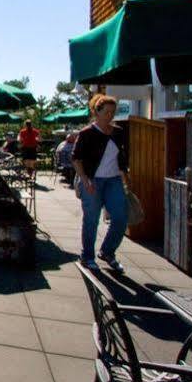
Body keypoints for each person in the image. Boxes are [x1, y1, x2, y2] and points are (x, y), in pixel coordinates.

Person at [72, 95, 130, 272]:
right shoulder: (87, 133)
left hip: (113, 180)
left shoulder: (118, 132)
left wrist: (125, 177)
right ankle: (87, 256)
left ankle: (107, 251)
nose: (110, 115)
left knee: (120, 217)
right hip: (92, 180)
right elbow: (76, 158)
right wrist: (84, 180)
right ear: (96, 112)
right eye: (107, 112)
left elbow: (122, 157)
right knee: (91, 219)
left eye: (113, 112)